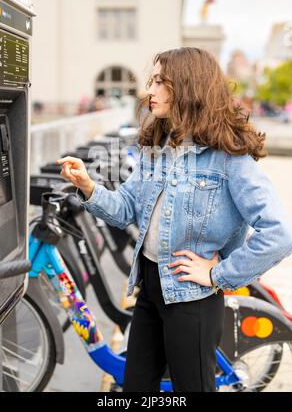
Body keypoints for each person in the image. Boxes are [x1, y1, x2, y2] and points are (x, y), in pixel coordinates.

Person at [57, 47, 292, 392]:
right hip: (149, 287)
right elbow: (125, 208)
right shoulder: (162, 145)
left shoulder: (229, 158)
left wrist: (217, 273)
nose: (149, 91)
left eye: (159, 81)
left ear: (187, 86)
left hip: (191, 299)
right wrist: (88, 187)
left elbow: (279, 233)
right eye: (151, 81)